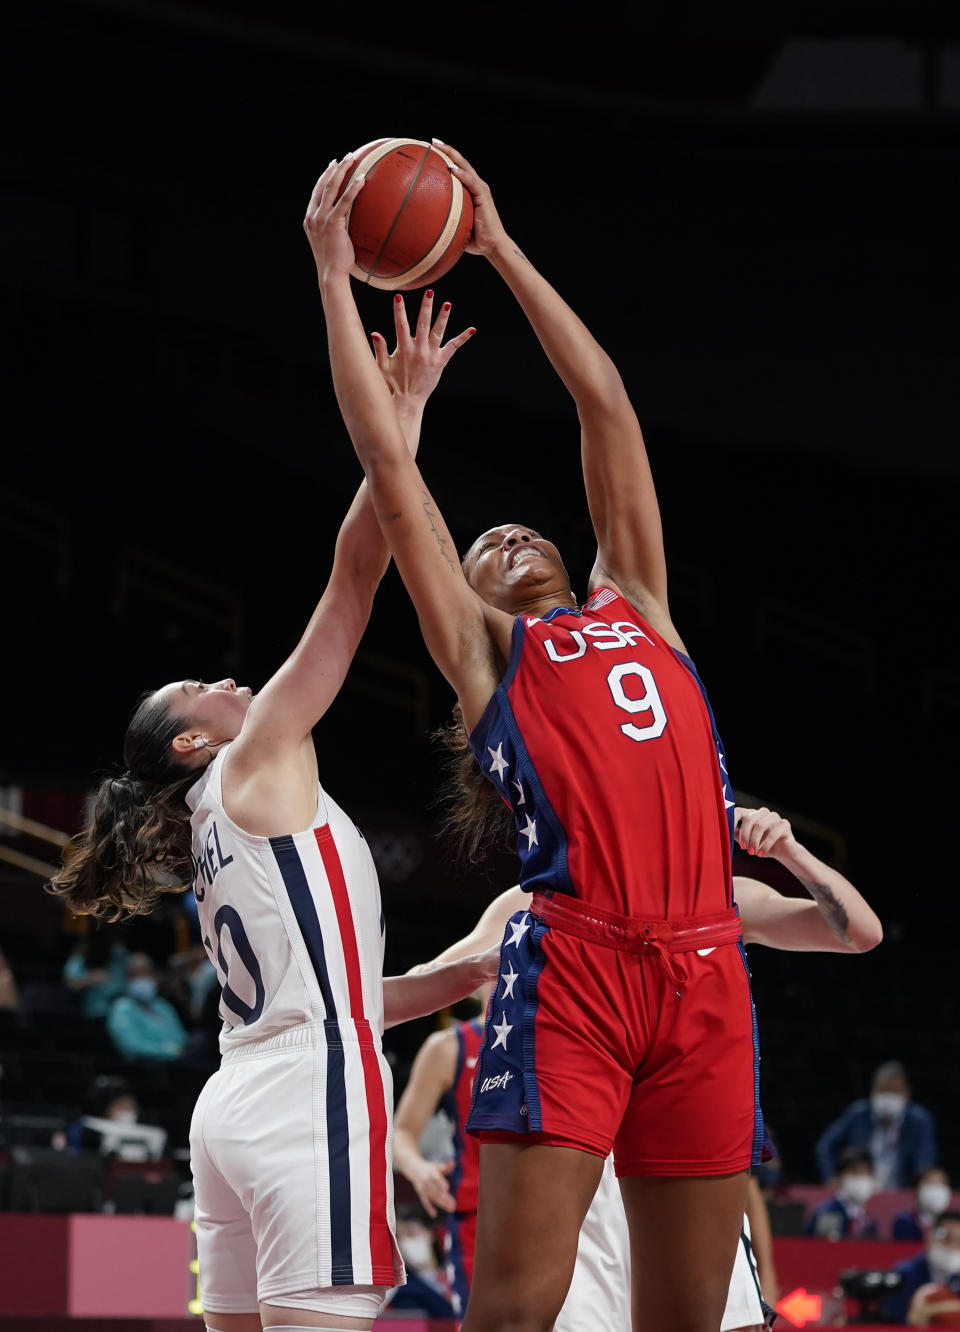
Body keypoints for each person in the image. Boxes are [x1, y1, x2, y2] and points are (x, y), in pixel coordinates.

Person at [308, 145, 770, 1332]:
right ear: (463, 593)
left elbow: (604, 399)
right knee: (515, 1314)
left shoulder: (640, 603)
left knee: (690, 1317)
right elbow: (388, 469)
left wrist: (500, 247)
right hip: (577, 973)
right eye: (483, 545)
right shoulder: (489, 657)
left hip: (709, 971)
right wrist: (328, 274)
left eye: (521, 528)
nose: (507, 532)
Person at [48, 195, 490, 1332]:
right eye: (201, 687)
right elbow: (355, 582)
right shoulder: (256, 759)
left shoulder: (214, 818)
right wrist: (397, 410)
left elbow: (328, 1001)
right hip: (305, 1102)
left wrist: (453, 976)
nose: (228, 679)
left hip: (240, 1097)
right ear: (194, 740)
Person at [405, 802, 882, 1330]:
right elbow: (431, 977)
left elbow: (859, 933)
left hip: (678, 1164)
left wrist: (789, 852)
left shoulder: (722, 897)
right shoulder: (535, 900)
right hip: (579, 1176)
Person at [393, 989, 493, 1318]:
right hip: (480, 1220)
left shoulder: (567, 1036)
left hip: (572, 1214)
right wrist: (418, 1168)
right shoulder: (449, 1046)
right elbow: (401, 1132)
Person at [816, 1060, 938, 1189]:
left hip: (900, 1191)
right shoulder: (857, 1114)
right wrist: (830, 1177)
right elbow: (825, 1145)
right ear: (873, 1091)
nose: (887, 1097)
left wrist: (917, 1189)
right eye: (883, 1090)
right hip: (859, 1189)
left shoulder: (919, 1121)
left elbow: (925, 1162)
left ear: (906, 1093)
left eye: (894, 1091)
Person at [105, 952, 188, 1062]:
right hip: (145, 1069)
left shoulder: (163, 1005)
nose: (142, 979)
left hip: (178, 1064)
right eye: (136, 975)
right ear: (127, 979)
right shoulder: (122, 1008)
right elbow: (131, 1046)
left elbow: (181, 1037)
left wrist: (176, 1051)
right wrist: (166, 1051)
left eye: (146, 974)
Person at [882, 1211, 960, 1325]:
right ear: (929, 1237)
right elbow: (894, 1320)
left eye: (958, 1241)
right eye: (946, 1239)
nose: (952, 1246)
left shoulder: (956, 1280)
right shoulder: (902, 1276)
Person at [805, 1147, 880, 1240]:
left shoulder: (869, 1222)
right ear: (839, 1177)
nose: (860, 1178)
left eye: (864, 1173)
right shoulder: (828, 1213)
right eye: (854, 1172)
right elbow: (825, 1250)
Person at [893, 1168, 955, 1242]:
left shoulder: (955, 1224)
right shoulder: (904, 1222)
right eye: (930, 1183)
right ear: (917, 1188)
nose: (936, 1190)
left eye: (941, 1184)